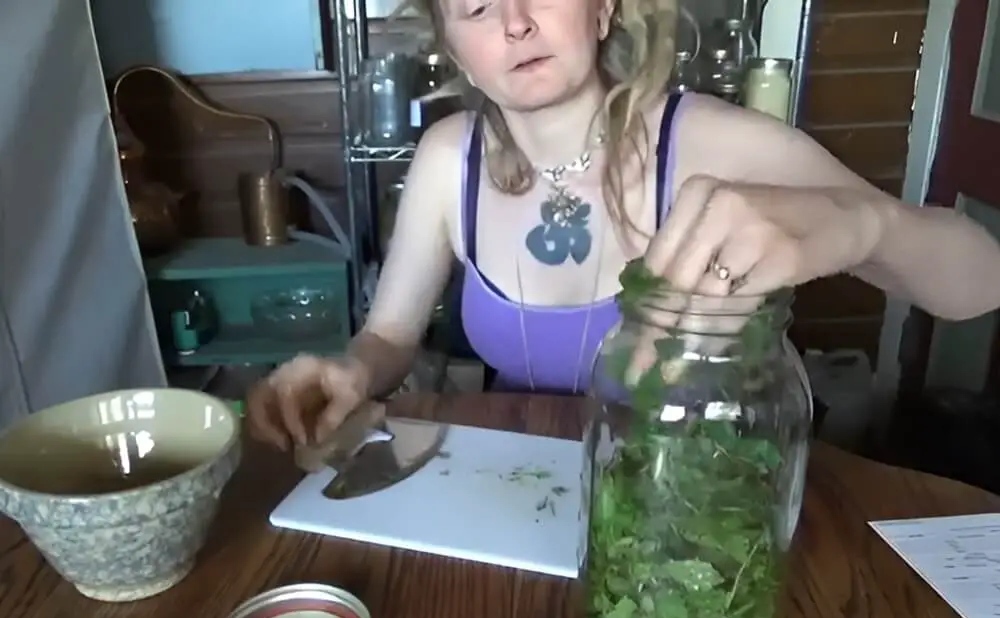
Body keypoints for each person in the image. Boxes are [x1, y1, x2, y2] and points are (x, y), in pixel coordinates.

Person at [248, 0, 1000, 451]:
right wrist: (351, 372)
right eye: (475, 6)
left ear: (602, 7)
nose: (514, 23)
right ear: (456, 51)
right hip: (516, 489)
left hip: (689, 503)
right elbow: (388, 339)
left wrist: (858, 226)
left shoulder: (713, 141)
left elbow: (979, 283)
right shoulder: (450, 158)